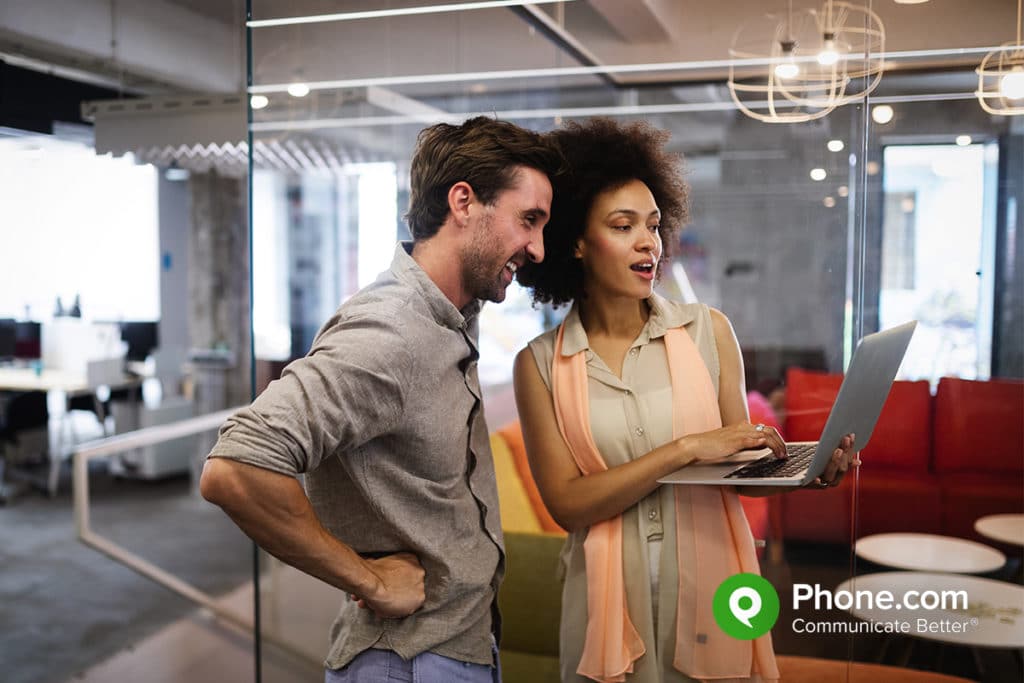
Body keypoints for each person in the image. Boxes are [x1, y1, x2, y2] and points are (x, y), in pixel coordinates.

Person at [200, 116, 562, 682]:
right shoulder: (394, 332)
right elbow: (235, 468)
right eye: (528, 220)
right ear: (463, 202)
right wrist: (367, 581)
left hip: (447, 650)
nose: (537, 248)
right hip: (410, 662)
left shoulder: (444, 324)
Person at [513, 118, 856, 683]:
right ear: (575, 239)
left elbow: (738, 471)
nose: (649, 241)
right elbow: (569, 505)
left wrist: (805, 472)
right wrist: (686, 448)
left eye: (653, 224)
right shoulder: (539, 364)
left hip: (714, 580)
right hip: (605, 594)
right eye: (623, 226)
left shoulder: (708, 331)